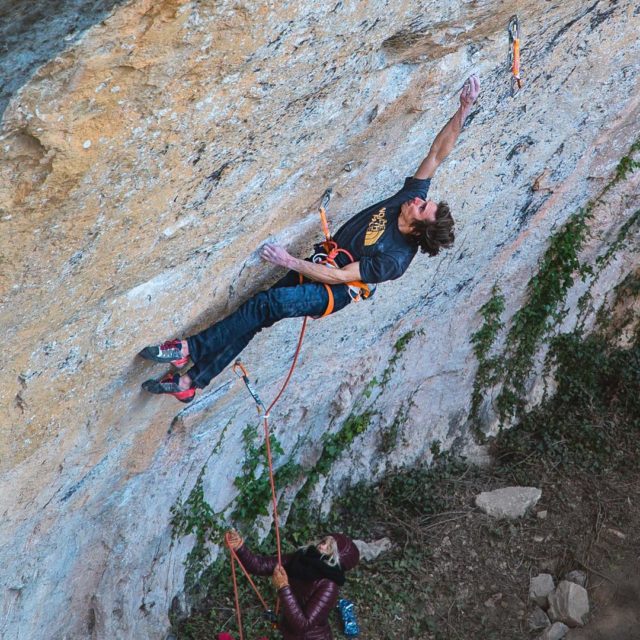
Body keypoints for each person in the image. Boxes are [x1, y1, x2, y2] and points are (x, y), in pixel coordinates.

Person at [140, 75, 481, 402]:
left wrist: (288, 261)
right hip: (323, 263)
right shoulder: (405, 201)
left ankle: (190, 349)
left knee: (266, 304)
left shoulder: (395, 259)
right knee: (257, 316)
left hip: (330, 290)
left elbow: (339, 277)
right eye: (424, 200)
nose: (418, 200)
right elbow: (437, 154)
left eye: (422, 208)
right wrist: (462, 110)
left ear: (418, 229)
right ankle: (189, 382)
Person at [225, 529, 360, 640]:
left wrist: (283, 588)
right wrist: (240, 547)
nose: (321, 546)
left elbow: (303, 624)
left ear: (335, 558)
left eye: (329, 547)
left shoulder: (329, 586)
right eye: (324, 541)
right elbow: (259, 565)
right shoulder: (301, 559)